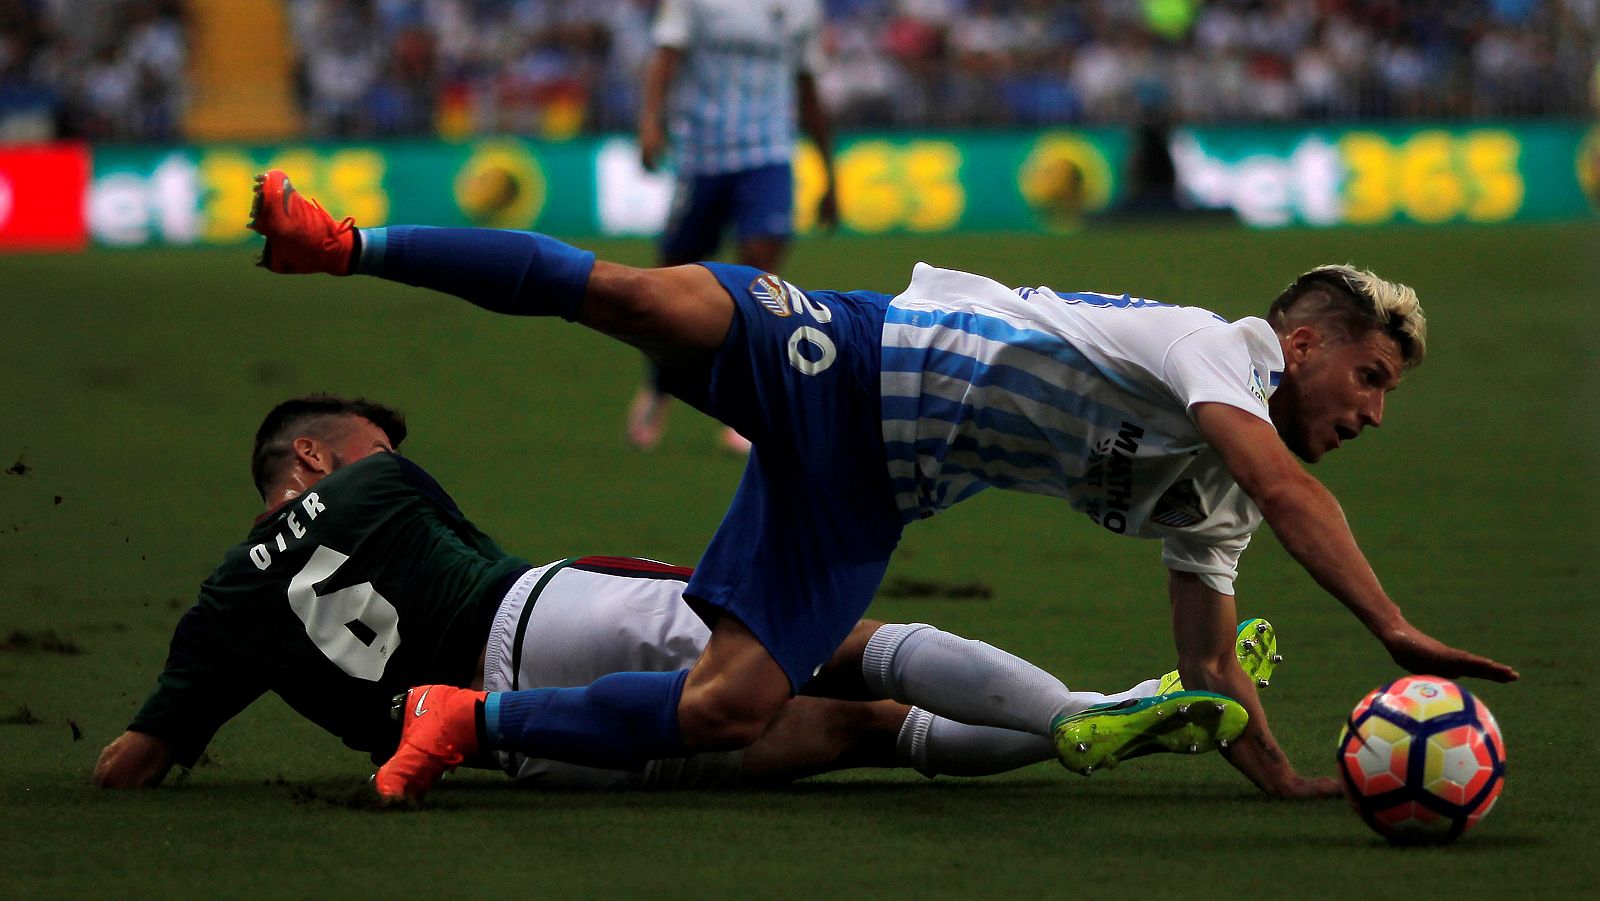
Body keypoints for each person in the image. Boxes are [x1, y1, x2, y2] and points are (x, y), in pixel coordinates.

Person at [247, 170, 1517, 803]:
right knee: (632, 293)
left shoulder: (1221, 496)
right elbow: (1292, 490)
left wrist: (1282, 775)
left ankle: (466, 723)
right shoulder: (1210, 349)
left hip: (873, 487)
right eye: (1367, 375)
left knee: (728, 708)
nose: (1371, 408)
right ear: (1299, 346)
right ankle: (340, 243)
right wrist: (1389, 626)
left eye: (1384, 391)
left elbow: (1207, 666)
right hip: (852, 356)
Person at [93, 394, 1263, 792]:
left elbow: (131, 764)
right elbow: (483, 559)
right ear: (310, 457)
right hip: (543, 614)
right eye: (366, 435)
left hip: (534, 750)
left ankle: (1136, 705)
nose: (388, 438)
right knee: (850, 649)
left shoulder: (220, 611)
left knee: (864, 737)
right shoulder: (376, 483)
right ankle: (1081, 711)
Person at [627, 0, 839, 452]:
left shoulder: (803, 8)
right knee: (671, 279)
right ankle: (659, 388)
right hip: (702, 154)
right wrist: (650, 123)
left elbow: (807, 86)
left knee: (762, 279)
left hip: (769, 154)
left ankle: (747, 403)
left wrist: (829, 173)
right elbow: (665, 58)